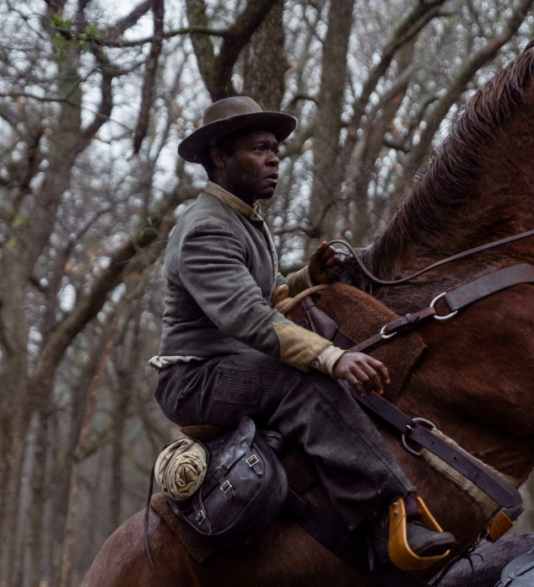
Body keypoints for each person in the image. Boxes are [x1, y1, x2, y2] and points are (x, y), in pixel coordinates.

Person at [150, 96, 455, 560]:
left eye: (276, 149)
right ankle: (389, 516)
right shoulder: (204, 228)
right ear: (219, 157)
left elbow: (268, 296)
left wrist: (308, 280)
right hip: (193, 380)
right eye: (259, 149)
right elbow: (248, 318)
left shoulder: (246, 221)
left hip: (233, 366)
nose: (274, 158)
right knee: (301, 379)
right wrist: (333, 358)